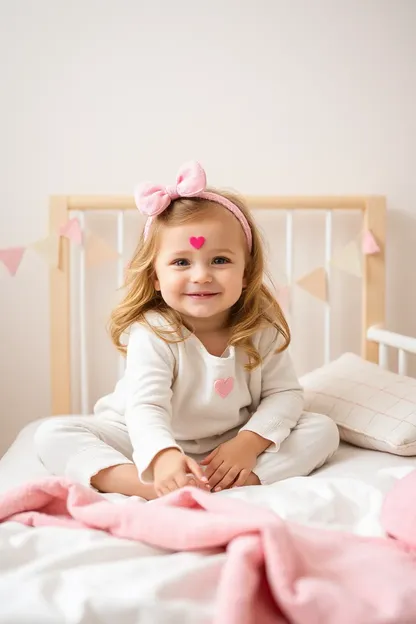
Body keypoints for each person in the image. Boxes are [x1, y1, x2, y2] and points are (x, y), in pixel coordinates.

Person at [35, 161, 339, 500]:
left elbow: (285, 394)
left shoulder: (259, 328)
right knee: (53, 433)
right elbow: (145, 407)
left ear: (245, 271)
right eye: (181, 262)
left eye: (220, 260)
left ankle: (233, 480)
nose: (201, 276)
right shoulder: (153, 332)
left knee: (323, 430)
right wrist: (163, 457)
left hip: (227, 442)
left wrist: (248, 444)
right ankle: (147, 485)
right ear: (155, 276)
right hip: (140, 433)